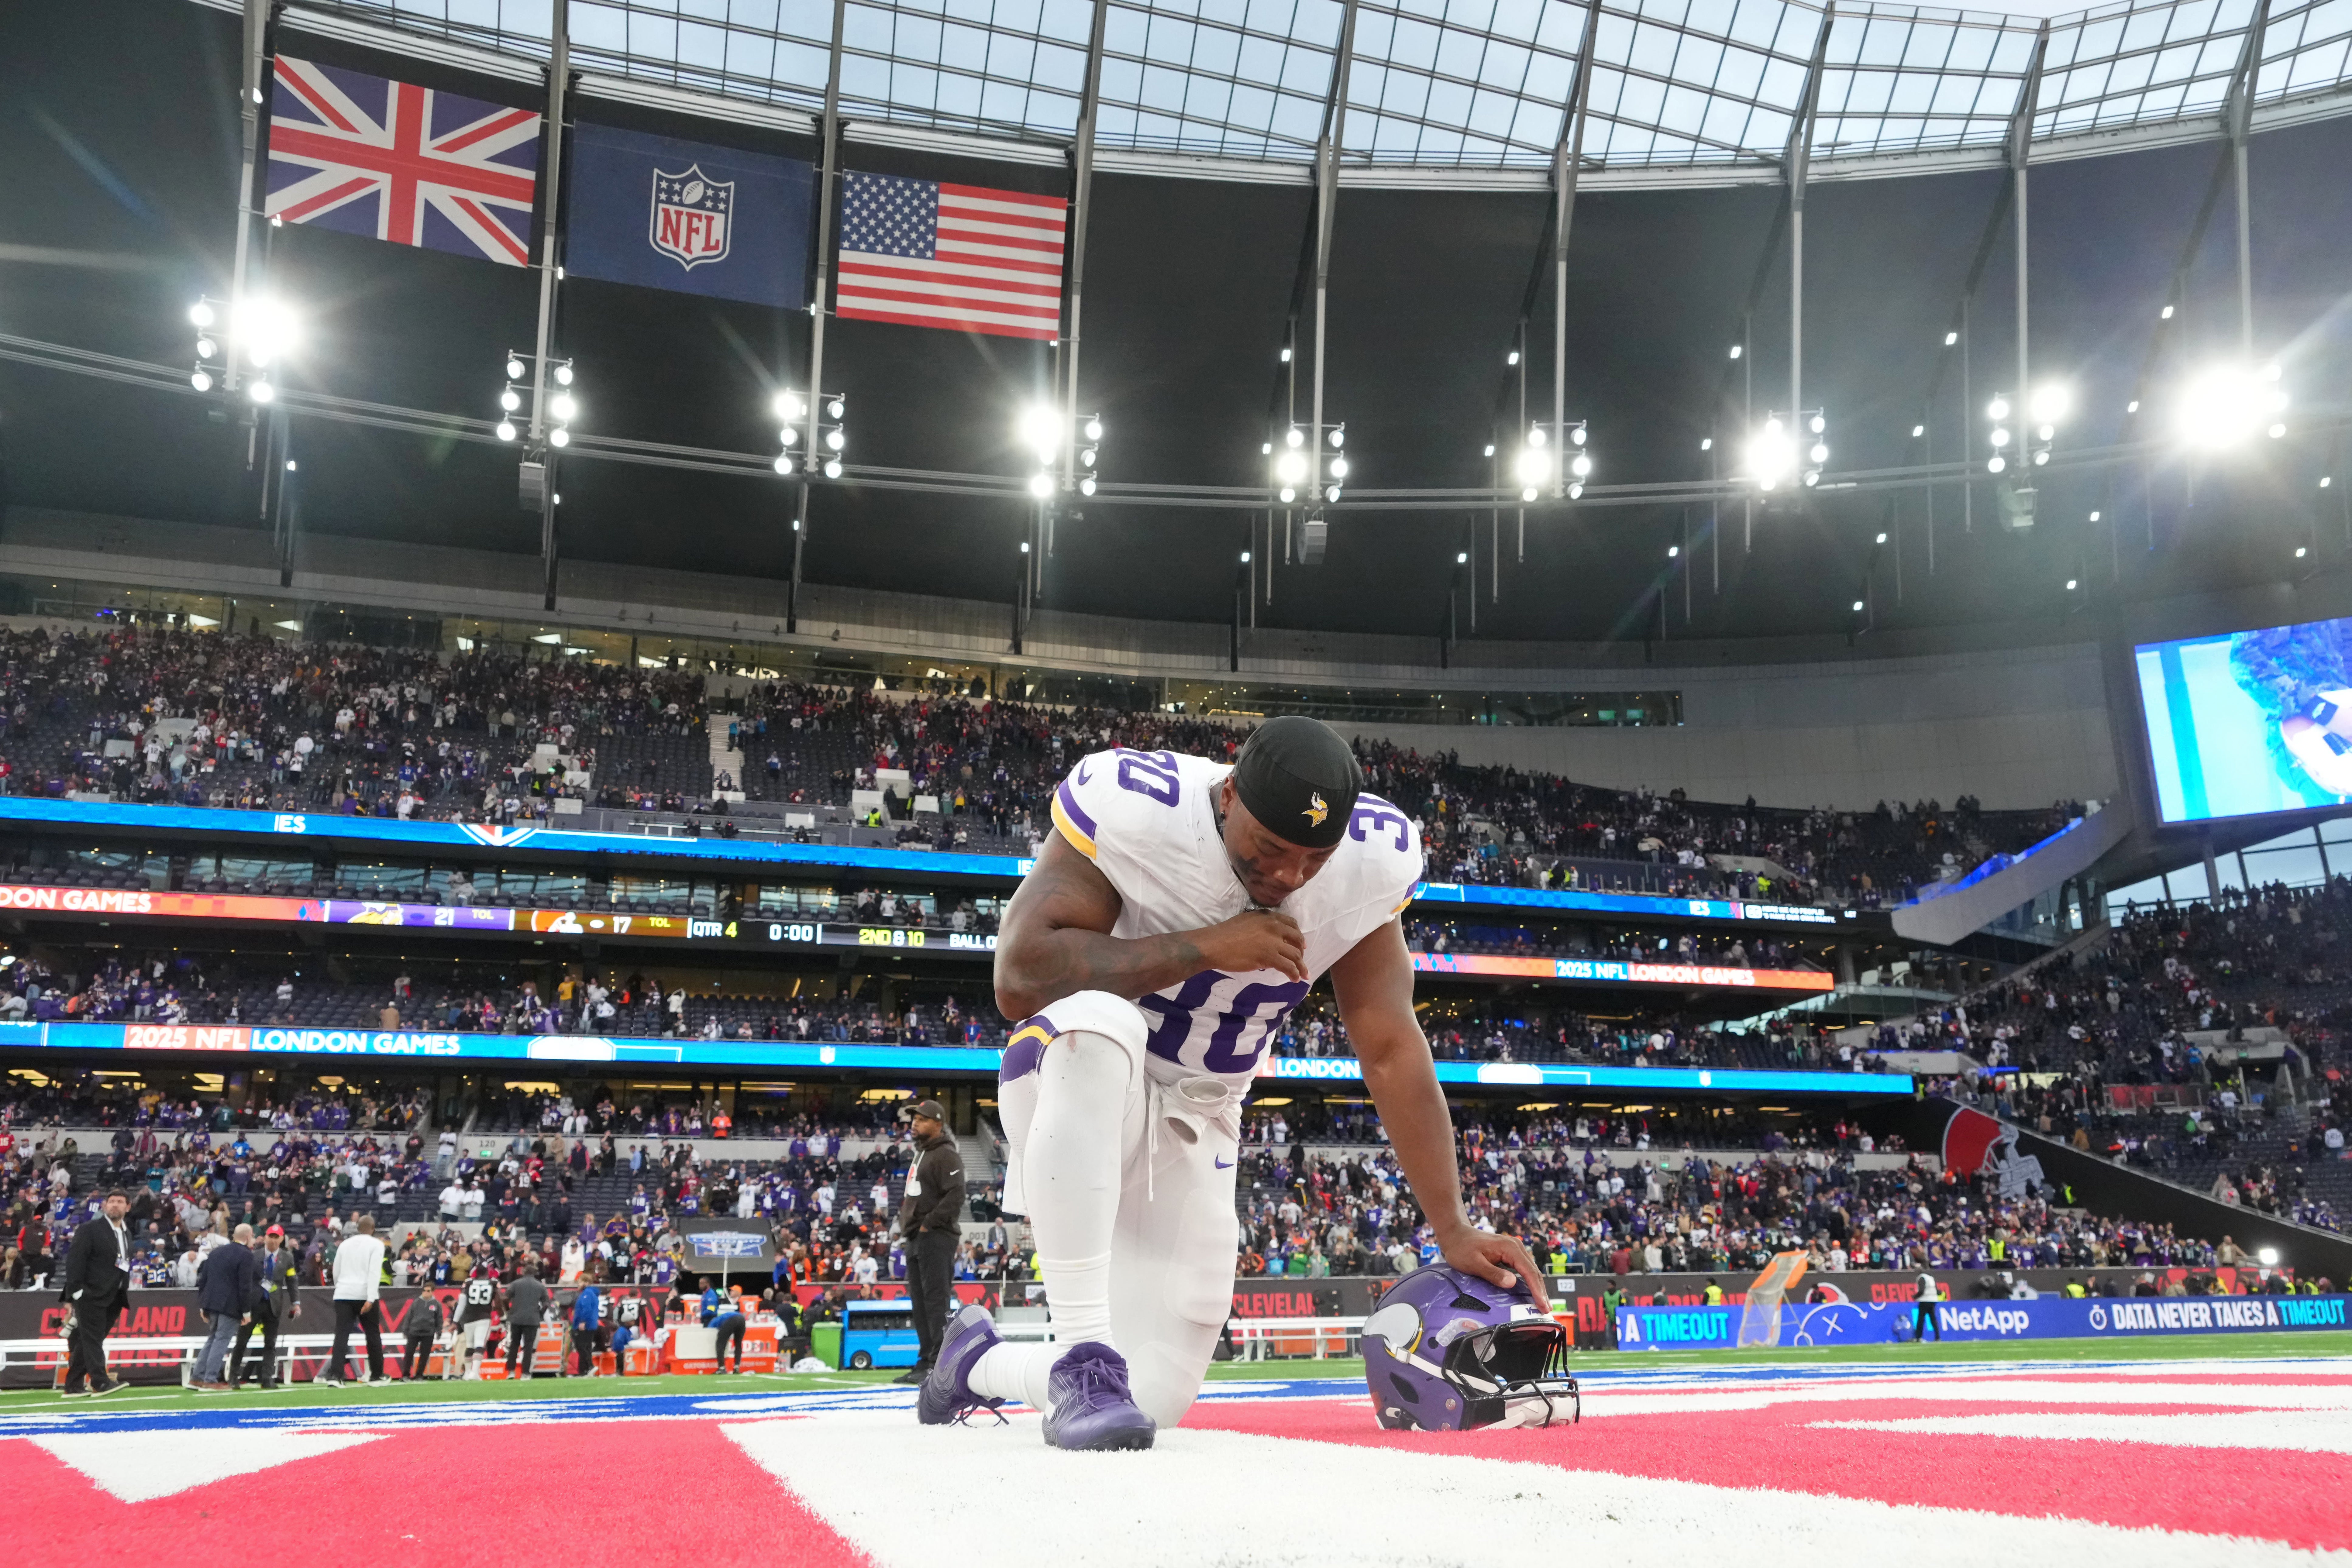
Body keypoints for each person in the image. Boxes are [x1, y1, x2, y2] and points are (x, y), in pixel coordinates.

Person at [919, 716, 1545, 1450]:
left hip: (1203, 1113)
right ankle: (1083, 1349)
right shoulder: (1139, 807)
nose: (1287, 875)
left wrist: (1452, 1226)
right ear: (1228, 794)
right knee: (1100, 1026)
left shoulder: (1373, 861)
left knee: (1152, 1401)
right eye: (1270, 847)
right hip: (1073, 1076)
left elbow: (1387, 1043)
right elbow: (1020, 975)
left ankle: (979, 1361)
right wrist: (1207, 947)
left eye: (1313, 857)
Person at [896, 1098, 966, 1385]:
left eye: (922, 1119)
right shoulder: (922, 1154)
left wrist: (928, 1224)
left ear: (938, 1124)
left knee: (935, 1301)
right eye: (914, 1119)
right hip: (916, 1237)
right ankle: (925, 1360)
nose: (915, 1123)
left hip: (935, 1237)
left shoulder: (945, 1154)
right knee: (920, 1303)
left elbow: (956, 1194)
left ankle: (938, 1364)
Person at [59, 1189, 134, 1397]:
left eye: (120, 1202)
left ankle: (73, 1386)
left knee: (89, 1341)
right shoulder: (89, 1229)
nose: (115, 1205)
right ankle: (101, 1383)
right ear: (105, 1206)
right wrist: (75, 1294)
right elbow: (75, 1262)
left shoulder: (126, 1233)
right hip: (90, 1295)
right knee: (92, 1340)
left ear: (128, 1207)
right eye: (111, 1202)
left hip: (115, 1296)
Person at [192, 1223, 260, 1391]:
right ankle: (210, 1380)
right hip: (230, 1305)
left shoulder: (216, 1252)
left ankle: (197, 1378)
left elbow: (203, 1279)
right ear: (247, 1237)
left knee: (213, 1339)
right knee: (221, 1340)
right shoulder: (246, 1255)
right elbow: (245, 1286)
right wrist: (246, 1311)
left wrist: (203, 1305)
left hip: (212, 1303)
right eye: (252, 1236)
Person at [322, 1213, 388, 1386]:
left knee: (342, 1335)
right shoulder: (377, 1245)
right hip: (365, 1294)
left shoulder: (345, 1244)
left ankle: (335, 1376)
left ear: (358, 1229)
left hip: (344, 1294)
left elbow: (336, 1271)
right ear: (373, 1229)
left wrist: (340, 1288)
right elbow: (375, 1272)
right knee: (373, 1334)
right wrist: (372, 1298)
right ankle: (377, 1375)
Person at [233, 1226, 302, 1389]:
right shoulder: (252, 1255)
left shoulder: (287, 1258)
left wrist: (296, 1303)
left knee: (271, 1343)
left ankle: (267, 1378)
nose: (273, 1240)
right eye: (270, 1236)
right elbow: (244, 1280)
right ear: (265, 1237)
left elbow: (292, 1281)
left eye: (276, 1237)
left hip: (274, 1303)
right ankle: (233, 1377)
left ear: (282, 1238)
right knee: (242, 1341)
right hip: (253, 1303)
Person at [449, 1268, 498, 1380]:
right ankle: (475, 1373)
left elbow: (461, 1304)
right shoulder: (493, 1283)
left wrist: (455, 1322)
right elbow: (499, 1300)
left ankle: (467, 1373)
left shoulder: (468, 1283)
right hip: (483, 1317)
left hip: (468, 1319)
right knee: (480, 1344)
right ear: (487, 1274)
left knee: (470, 1346)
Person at [504, 1262, 550, 1376]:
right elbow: (546, 1303)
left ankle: (511, 1372)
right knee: (529, 1347)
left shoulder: (516, 1284)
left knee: (514, 1344)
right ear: (535, 1274)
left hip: (516, 1318)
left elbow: (505, 1298)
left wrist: (509, 1311)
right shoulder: (540, 1286)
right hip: (532, 1319)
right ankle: (525, 1373)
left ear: (523, 1272)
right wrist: (540, 1314)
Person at [402, 1286, 445, 1381]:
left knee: (424, 1355)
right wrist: (406, 1330)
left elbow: (439, 1319)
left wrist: (439, 1331)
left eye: (428, 1291)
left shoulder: (437, 1304)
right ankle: (406, 1375)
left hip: (428, 1333)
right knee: (409, 1354)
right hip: (414, 1331)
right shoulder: (416, 1302)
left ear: (433, 1292)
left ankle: (419, 1375)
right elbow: (409, 1316)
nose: (426, 1293)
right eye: (424, 1291)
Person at [704, 1281, 747, 1373]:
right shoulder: (730, 1303)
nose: (731, 1292)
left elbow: (713, 1326)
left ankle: (722, 1368)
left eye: (733, 1291)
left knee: (720, 1343)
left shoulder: (716, 1320)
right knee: (738, 1344)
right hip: (741, 1320)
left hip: (731, 1321)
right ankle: (737, 1367)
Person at [568, 1280, 606, 1377]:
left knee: (581, 1346)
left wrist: (582, 1322)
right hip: (591, 1324)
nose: (578, 1285)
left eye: (580, 1283)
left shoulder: (587, 1294)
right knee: (587, 1347)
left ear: (586, 1283)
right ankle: (585, 1371)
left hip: (585, 1325)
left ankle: (590, 1367)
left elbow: (586, 1309)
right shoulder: (591, 1294)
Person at [1913, 1268, 1943, 1343]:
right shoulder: (1931, 1278)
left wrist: (1915, 1297)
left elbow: (1922, 1291)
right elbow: (1937, 1291)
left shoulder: (1922, 1278)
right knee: (1933, 1319)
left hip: (1924, 1300)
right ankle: (1938, 1338)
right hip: (1933, 1300)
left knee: (1921, 1320)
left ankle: (1919, 1337)